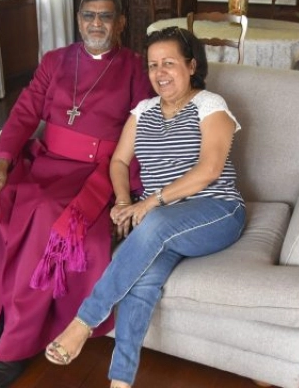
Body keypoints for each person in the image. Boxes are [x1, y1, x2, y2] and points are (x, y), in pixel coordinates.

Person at [0, 0, 154, 388]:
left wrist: (129, 194)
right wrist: (0, 162)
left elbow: (144, 132)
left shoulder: (136, 68)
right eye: (88, 16)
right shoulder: (55, 61)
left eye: (105, 16)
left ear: (120, 23)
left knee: (50, 217)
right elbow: (26, 111)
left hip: (94, 174)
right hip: (44, 163)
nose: (95, 24)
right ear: (78, 19)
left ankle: (16, 342)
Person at [44, 27, 247, 388]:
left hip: (217, 211)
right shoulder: (143, 111)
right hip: (163, 222)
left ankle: (84, 321)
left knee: (153, 224)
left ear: (191, 65)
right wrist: (124, 201)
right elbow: (119, 162)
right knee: (144, 279)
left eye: (169, 63)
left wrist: (149, 203)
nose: (160, 73)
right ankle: (121, 380)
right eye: (153, 65)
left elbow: (210, 170)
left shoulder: (210, 105)